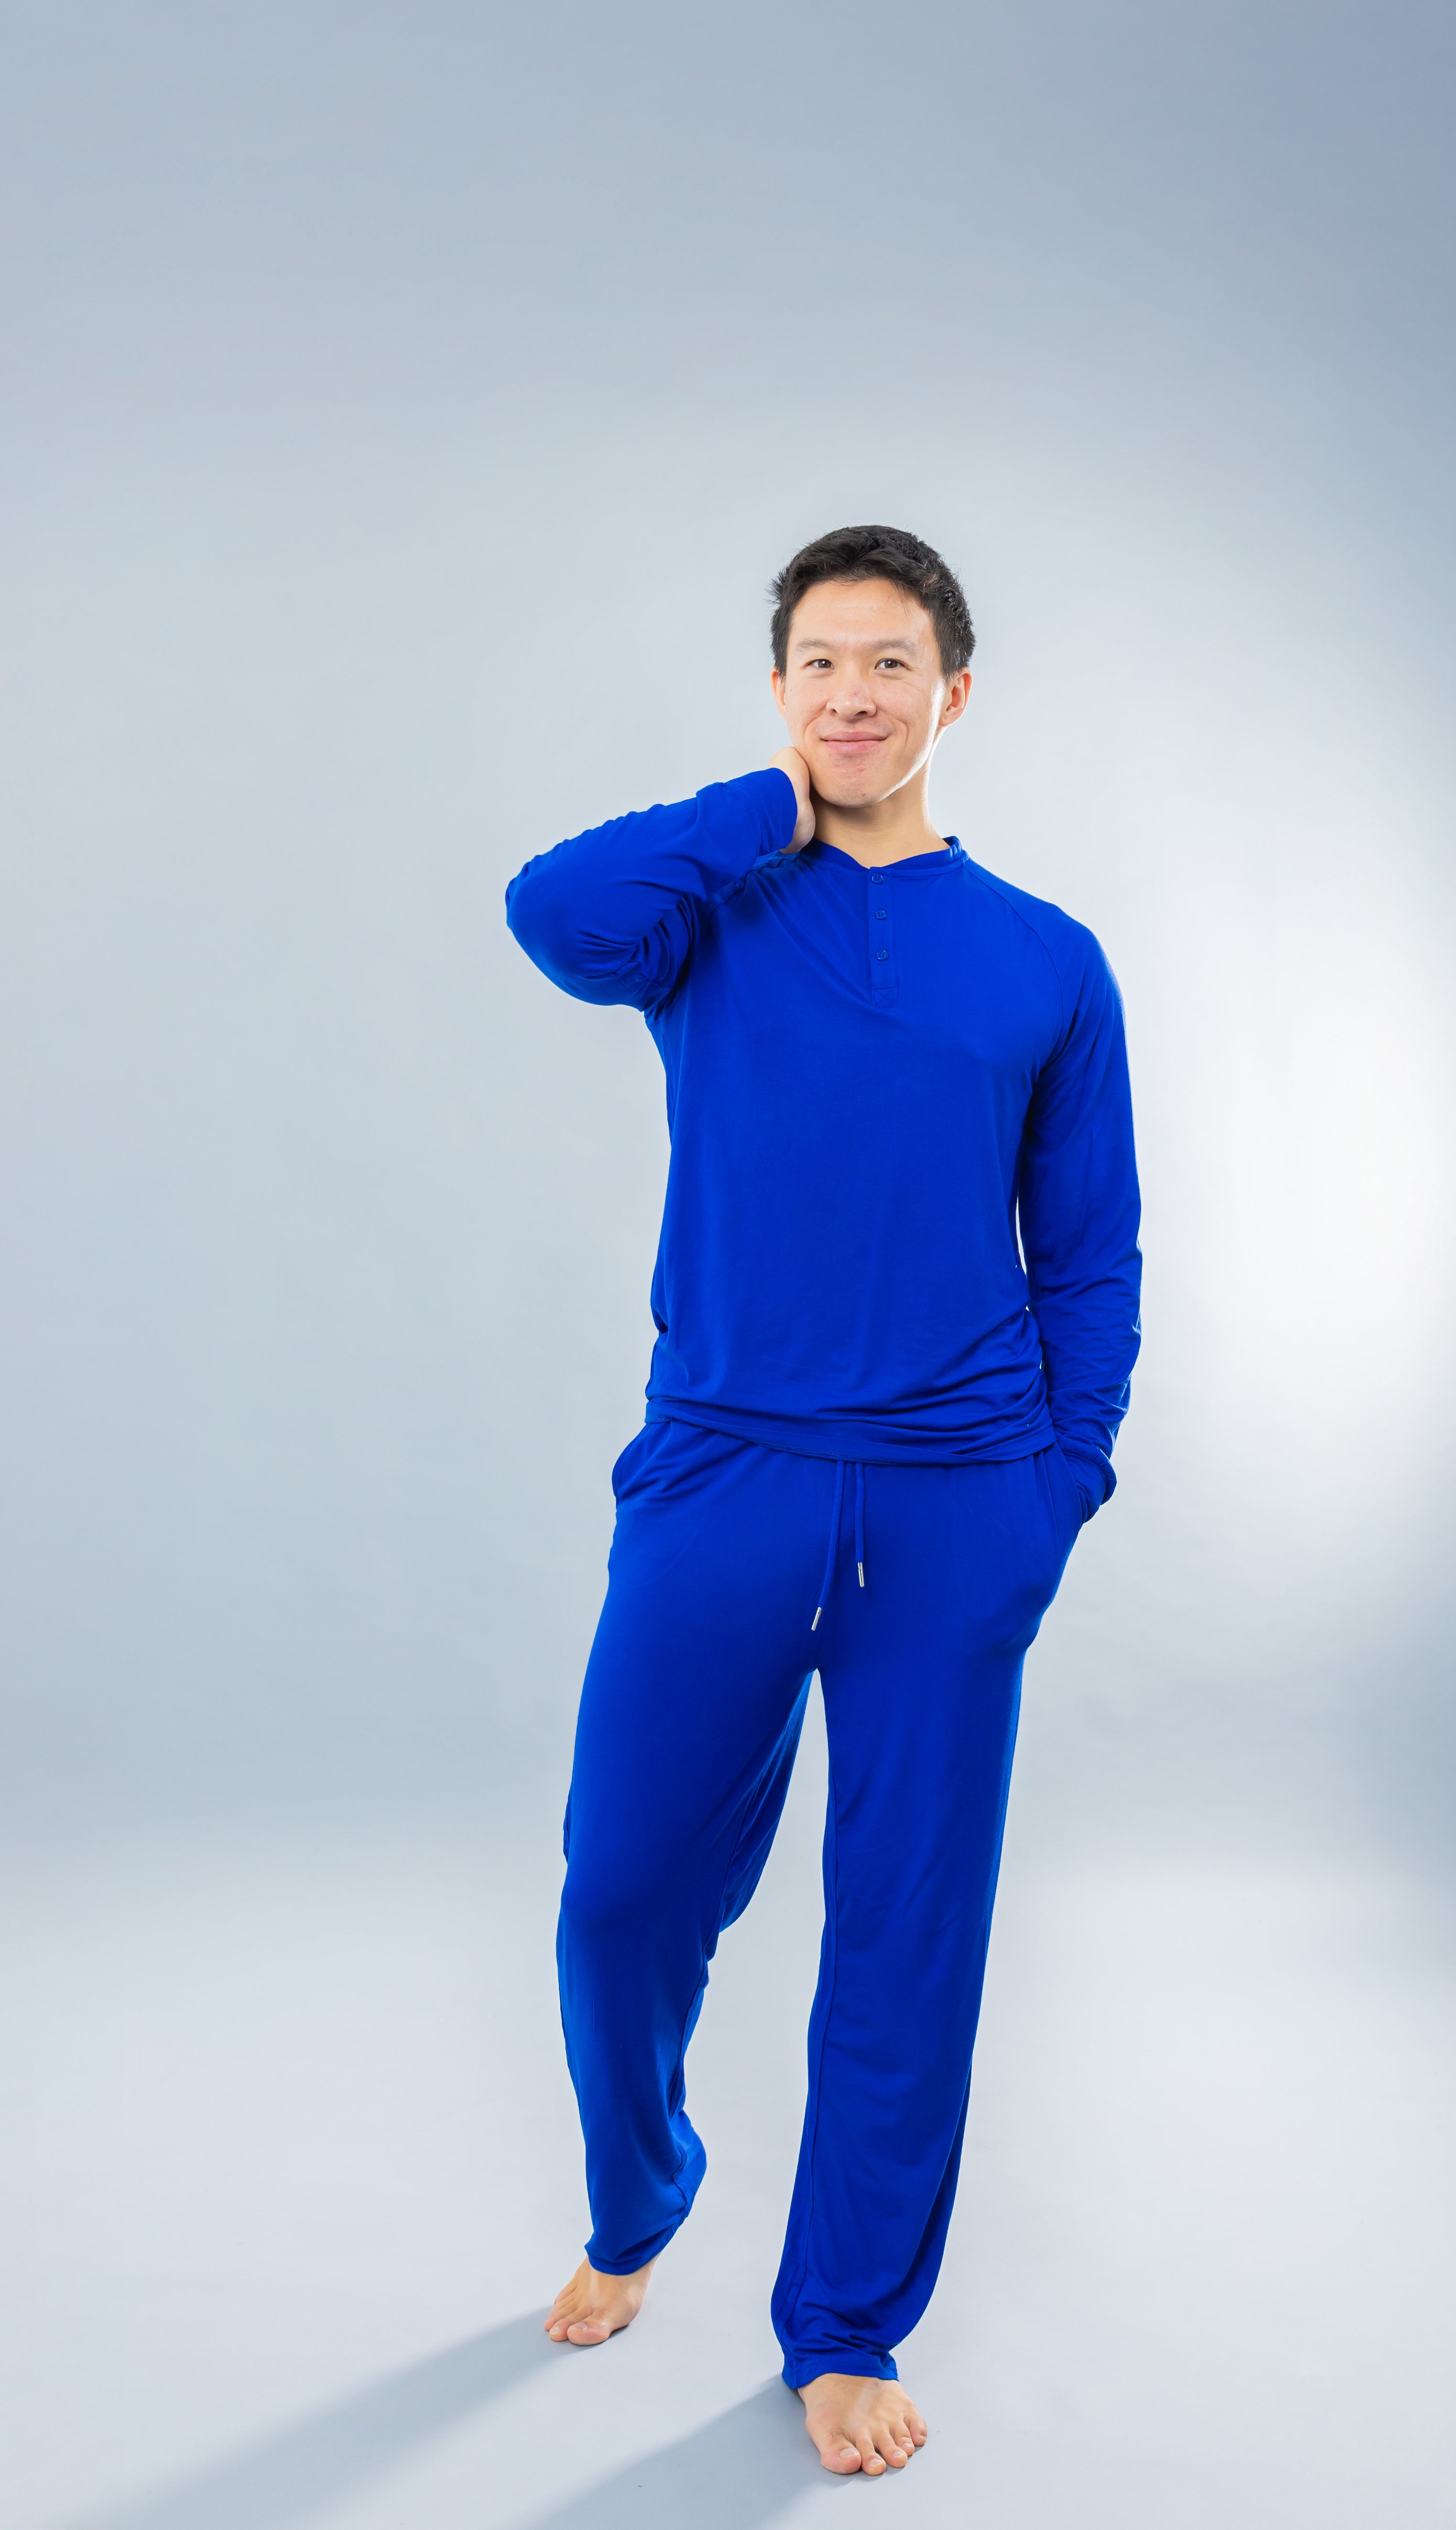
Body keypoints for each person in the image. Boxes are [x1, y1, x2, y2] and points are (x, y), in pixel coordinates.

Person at [504, 524, 1141, 2477]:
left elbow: (1089, 1251)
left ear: (957, 692)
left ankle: (844, 2320)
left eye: (889, 665)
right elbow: (549, 910)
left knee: (905, 1922)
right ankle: (640, 2192)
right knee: (621, 1890)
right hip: (724, 1465)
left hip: (958, 1496)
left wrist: (1057, 1484)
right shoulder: (707, 913)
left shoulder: (1044, 958)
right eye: (818, 664)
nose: (853, 695)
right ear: (778, 692)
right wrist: (761, 807)